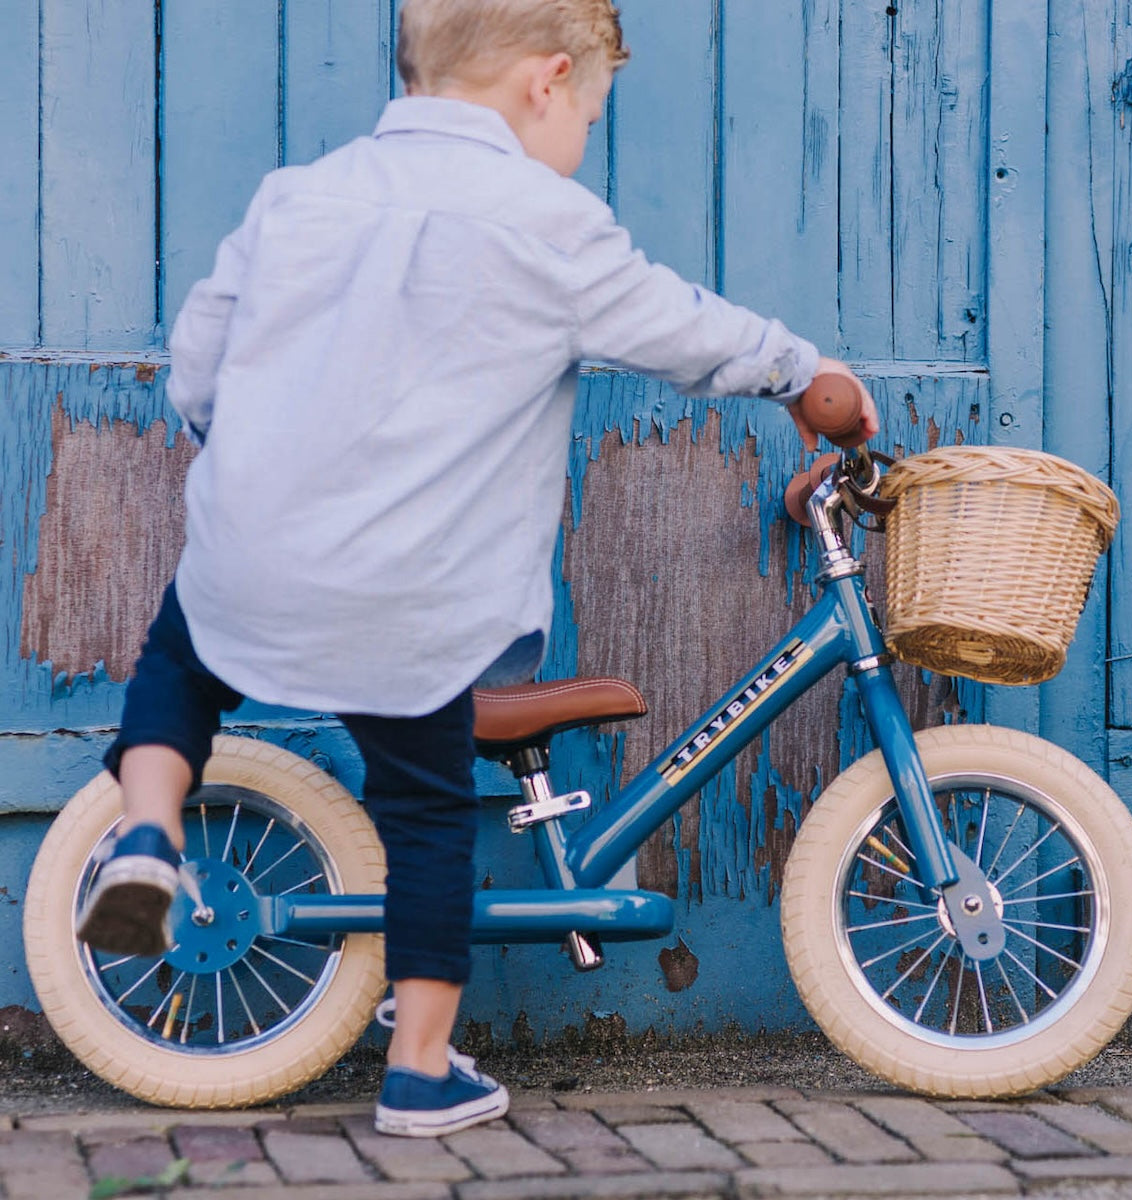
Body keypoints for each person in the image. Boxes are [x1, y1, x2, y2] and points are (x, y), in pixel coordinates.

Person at [75, 0, 879, 1137]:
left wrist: (255, 471)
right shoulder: (548, 221)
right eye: (588, 115)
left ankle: (149, 829)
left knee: (182, 658)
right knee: (428, 810)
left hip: (255, 554)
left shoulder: (295, 197)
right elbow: (685, 331)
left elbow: (197, 373)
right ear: (548, 83)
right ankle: (419, 1066)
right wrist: (802, 373)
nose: (579, 138)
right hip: (413, 592)